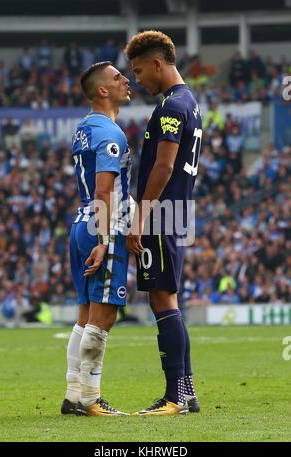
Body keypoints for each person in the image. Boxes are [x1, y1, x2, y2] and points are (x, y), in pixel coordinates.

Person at [125, 31, 201, 415]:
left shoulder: (172, 106)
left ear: (158, 63)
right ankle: (184, 391)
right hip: (175, 212)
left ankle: (176, 396)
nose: (136, 79)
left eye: (138, 70)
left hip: (161, 213)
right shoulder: (190, 102)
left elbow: (165, 165)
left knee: (162, 299)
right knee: (166, 298)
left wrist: (140, 216)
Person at [61, 61, 132, 416]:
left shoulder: (83, 128)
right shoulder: (110, 133)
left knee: (85, 315)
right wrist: (105, 239)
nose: (127, 81)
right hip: (102, 226)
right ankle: (90, 400)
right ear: (103, 90)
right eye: (119, 78)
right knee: (103, 318)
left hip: (80, 223)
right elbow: (104, 191)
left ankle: (74, 393)